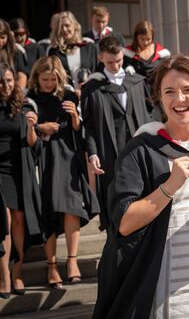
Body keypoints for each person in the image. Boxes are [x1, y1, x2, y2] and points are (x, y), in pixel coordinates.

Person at [92, 55, 189, 318]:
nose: (180, 100)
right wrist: (170, 186)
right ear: (159, 98)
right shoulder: (141, 149)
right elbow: (124, 223)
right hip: (168, 275)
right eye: (170, 92)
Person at [27, 56, 100, 289]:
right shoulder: (31, 100)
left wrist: (75, 118)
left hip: (69, 157)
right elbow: (22, 131)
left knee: (72, 209)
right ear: (37, 77)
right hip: (45, 159)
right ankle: (51, 266)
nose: (49, 83)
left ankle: (72, 261)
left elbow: (79, 130)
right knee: (48, 212)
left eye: (53, 79)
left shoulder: (68, 96)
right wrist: (40, 127)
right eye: (45, 79)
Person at [81, 36, 151, 230]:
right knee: (115, 199)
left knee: (143, 192)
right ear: (101, 57)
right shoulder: (92, 87)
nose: (115, 65)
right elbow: (89, 126)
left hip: (137, 149)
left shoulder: (136, 82)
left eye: (119, 60)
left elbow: (150, 112)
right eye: (110, 62)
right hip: (109, 151)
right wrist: (93, 153)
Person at [0, 63, 43, 298]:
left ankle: (17, 271)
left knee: (18, 220)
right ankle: (5, 276)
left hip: (18, 171)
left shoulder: (22, 107)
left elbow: (32, 144)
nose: (5, 86)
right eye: (1, 82)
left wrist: (31, 127)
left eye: (9, 80)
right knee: (4, 221)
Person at [47, 11, 98, 95]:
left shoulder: (90, 47)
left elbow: (98, 71)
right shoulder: (54, 51)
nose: (64, 29)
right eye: (61, 27)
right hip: (65, 98)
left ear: (75, 26)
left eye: (67, 25)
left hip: (90, 95)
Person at [123, 20, 170, 95]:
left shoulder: (162, 54)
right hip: (137, 93)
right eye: (142, 39)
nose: (145, 43)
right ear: (136, 37)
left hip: (157, 93)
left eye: (148, 39)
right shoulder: (127, 54)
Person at [0, 19, 28, 89]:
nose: (0, 41)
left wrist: (17, 95)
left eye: (3, 38)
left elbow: (21, 76)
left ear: (8, 37)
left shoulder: (15, 52)